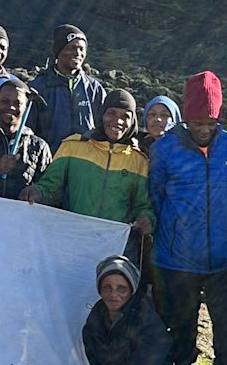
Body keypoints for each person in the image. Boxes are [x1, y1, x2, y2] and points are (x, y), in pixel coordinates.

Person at [149, 72, 227, 365]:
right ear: (184, 119)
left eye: (210, 122)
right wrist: (172, 237)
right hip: (177, 264)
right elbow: (155, 198)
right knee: (181, 346)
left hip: (226, 263)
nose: (204, 129)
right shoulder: (165, 150)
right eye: (196, 122)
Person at [20, 89, 153, 249]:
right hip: (71, 240)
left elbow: (142, 205)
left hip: (114, 246)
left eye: (126, 116)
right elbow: (51, 187)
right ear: (101, 115)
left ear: (133, 122)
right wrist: (37, 192)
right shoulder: (72, 146)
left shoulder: (139, 161)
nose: (118, 121)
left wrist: (147, 218)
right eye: (111, 113)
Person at [29, 24, 107, 152]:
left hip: (84, 161)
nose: (78, 53)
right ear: (58, 51)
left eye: (82, 49)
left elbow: (104, 127)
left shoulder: (94, 89)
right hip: (49, 162)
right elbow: (27, 131)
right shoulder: (37, 88)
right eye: (72, 48)